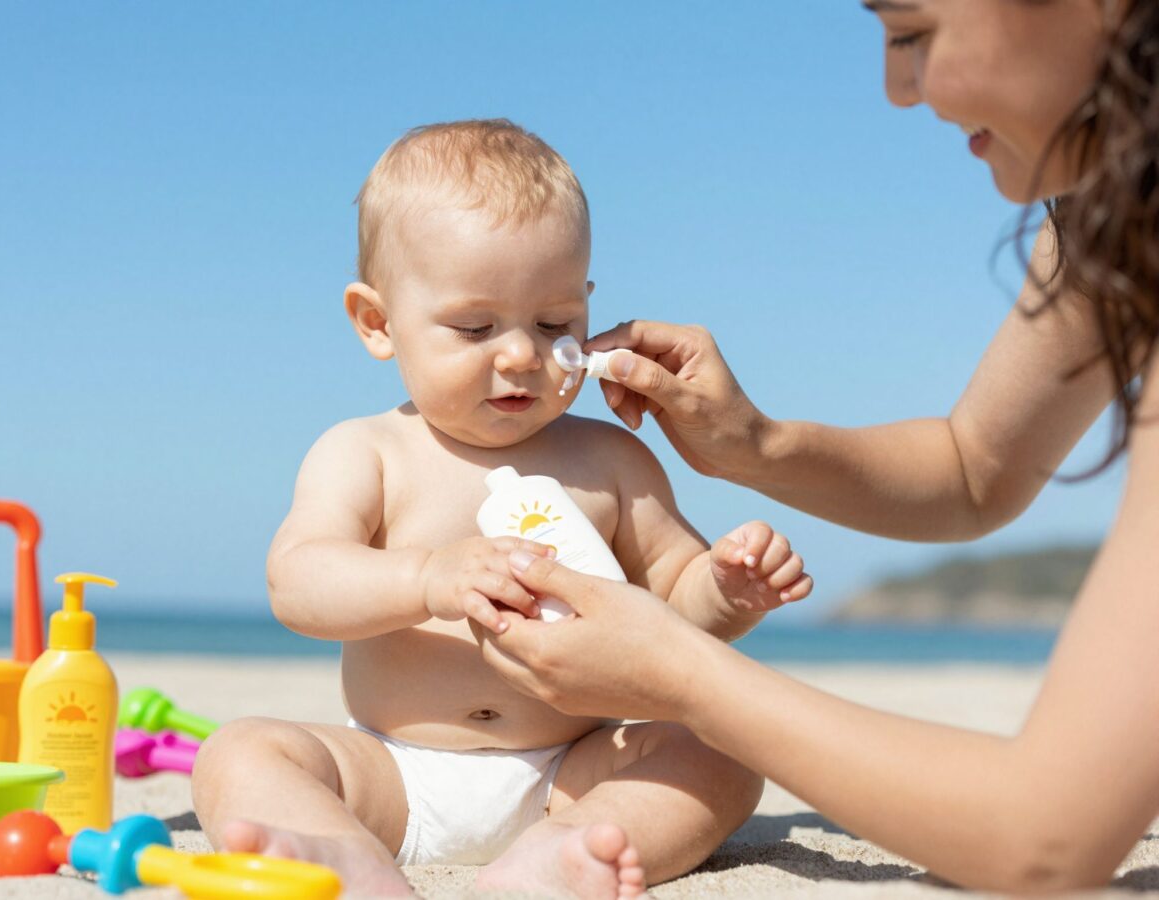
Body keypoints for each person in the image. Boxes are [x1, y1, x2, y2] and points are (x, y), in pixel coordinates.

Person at [475, 0, 1159, 893]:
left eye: (912, 33)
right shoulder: (1118, 214)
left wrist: (678, 671)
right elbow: (974, 471)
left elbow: (1049, 833)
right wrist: (751, 444)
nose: (897, 88)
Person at [191, 119, 814, 898]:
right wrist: (426, 578)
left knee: (723, 748)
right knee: (239, 752)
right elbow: (299, 582)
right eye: (475, 327)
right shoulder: (367, 452)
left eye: (554, 324)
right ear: (378, 323)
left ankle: (558, 858)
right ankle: (347, 861)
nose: (521, 354)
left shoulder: (612, 461)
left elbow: (674, 613)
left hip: (574, 773)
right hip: (394, 769)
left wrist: (724, 590)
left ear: (587, 309)